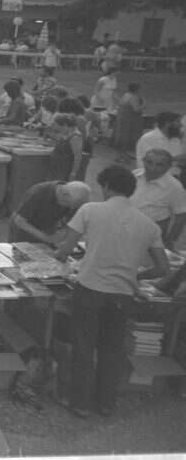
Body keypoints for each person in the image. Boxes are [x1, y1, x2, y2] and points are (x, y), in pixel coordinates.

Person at [54, 165, 168, 418]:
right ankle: (106, 403)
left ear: (106, 187)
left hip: (89, 289)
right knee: (111, 348)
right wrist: (136, 274)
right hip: (122, 293)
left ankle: (80, 403)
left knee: (84, 346)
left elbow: (65, 250)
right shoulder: (148, 225)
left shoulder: (90, 210)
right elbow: (162, 267)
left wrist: (61, 255)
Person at [131, 149, 186, 249]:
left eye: (159, 165)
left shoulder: (175, 187)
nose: (153, 168)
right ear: (143, 161)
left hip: (149, 238)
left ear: (168, 167)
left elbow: (181, 216)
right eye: (149, 162)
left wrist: (169, 241)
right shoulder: (134, 175)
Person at [8, 180, 92, 245]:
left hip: (47, 229)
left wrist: (64, 236)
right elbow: (19, 221)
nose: (71, 208)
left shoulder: (73, 196)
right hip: (23, 231)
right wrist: (47, 238)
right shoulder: (38, 192)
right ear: (64, 194)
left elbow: (72, 223)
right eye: (70, 205)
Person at [47, 114, 86, 182]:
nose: (56, 127)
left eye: (58, 126)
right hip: (56, 168)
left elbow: (78, 156)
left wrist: (73, 172)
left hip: (64, 169)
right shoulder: (66, 133)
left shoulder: (75, 137)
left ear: (65, 125)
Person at [113, 82, 145, 153]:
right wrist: (143, 105)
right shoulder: (133, 97)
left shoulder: (126, 95)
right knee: (128, 135)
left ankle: (121, 149)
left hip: (122, 117)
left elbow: (121, 103)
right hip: (129, 119)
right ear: (136, 89)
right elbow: (136, 109)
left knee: (122, 134)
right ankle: (126, 150)